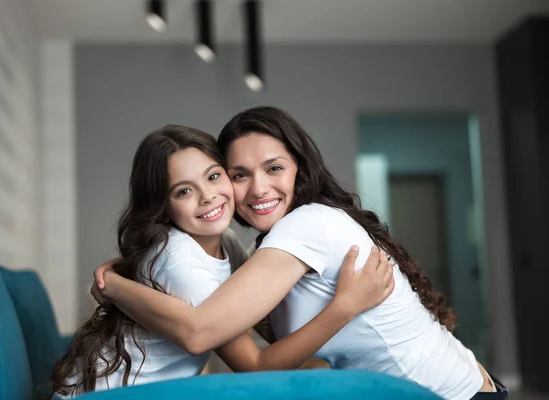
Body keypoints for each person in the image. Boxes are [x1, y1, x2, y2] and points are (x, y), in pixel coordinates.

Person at [93, 107, 508, 400]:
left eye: (274, 168)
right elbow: (245, 346)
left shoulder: (307, 225)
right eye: (240, 174)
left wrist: (113, 284)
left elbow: (209, 334)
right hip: (463, 384)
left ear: (300, 169)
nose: (257, 189)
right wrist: (123, 274)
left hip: (453, 393)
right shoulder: (260, 247)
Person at [50, 125, 394, 398]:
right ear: (162, 206)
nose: (208, 196)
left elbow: (261, 316)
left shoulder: (224, 242)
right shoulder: (180, 260)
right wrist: (344, 306)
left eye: (214, 176)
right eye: (184, 191)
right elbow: (255, 365)